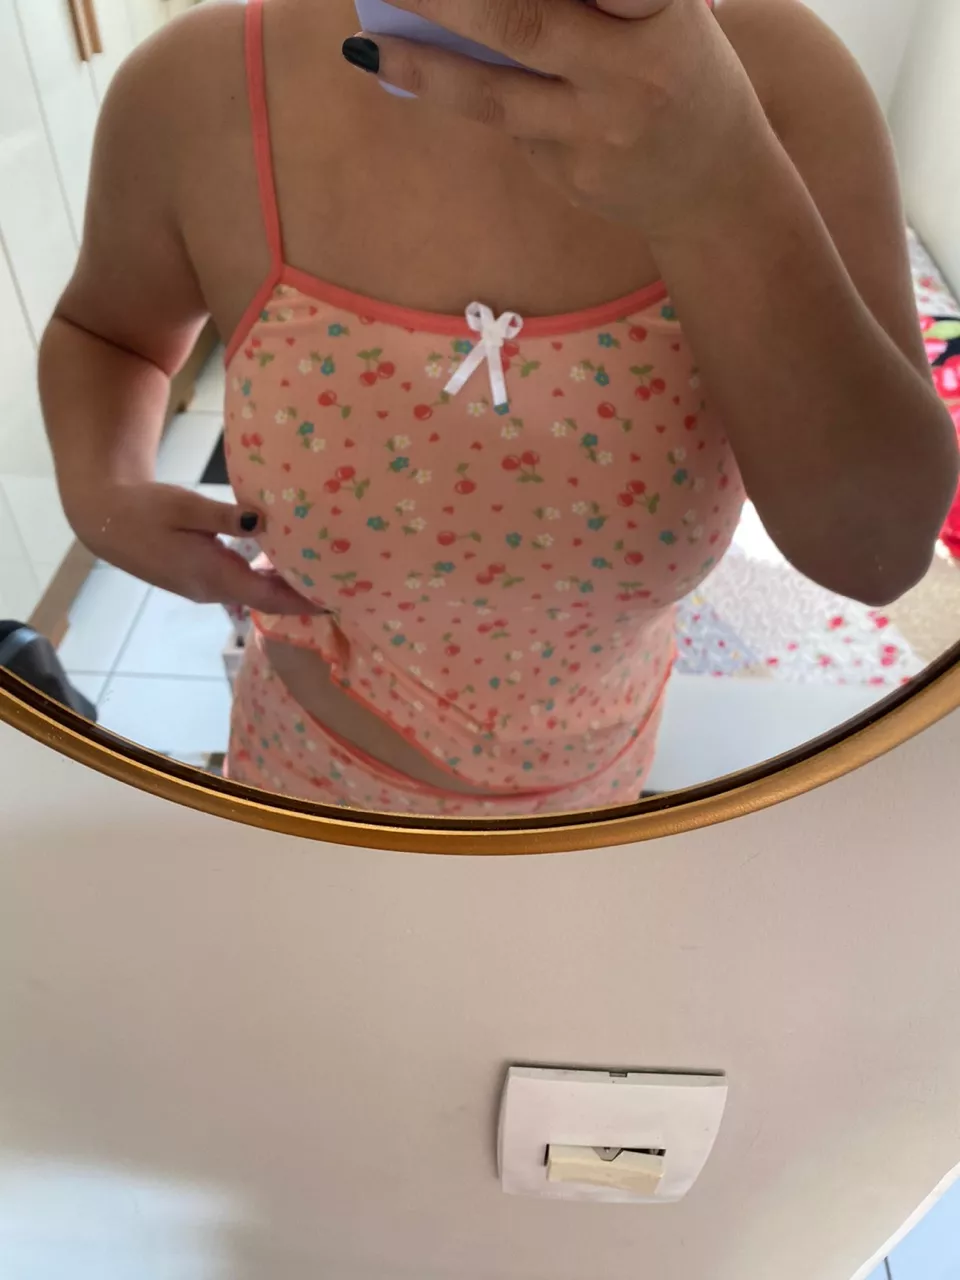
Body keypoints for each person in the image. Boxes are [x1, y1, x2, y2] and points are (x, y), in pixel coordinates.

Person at [40, 0, 958, 815]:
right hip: (303, 788)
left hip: (601, 803)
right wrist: (102, 492)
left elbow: (879, 551)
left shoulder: (785, 87)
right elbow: (107, 334)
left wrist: (719, 185)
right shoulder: (197, 92)